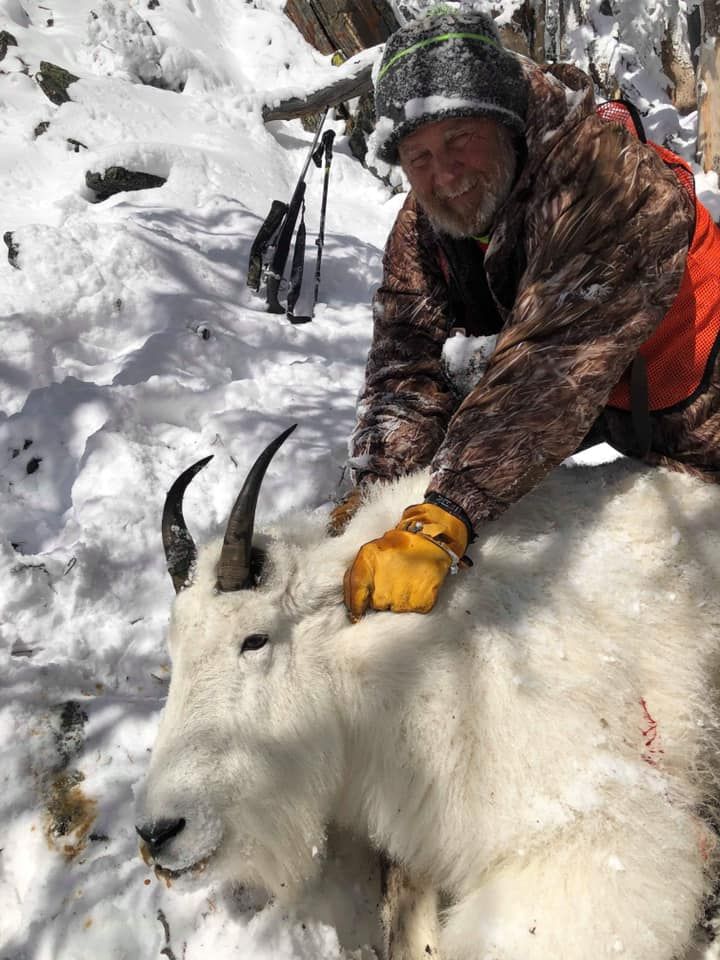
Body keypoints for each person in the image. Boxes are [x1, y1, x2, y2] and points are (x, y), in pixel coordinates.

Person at [338, 9, 720, 622]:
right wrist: (376, 495)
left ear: (506, 122)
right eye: (419, 157)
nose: (444, 175)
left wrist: (444, 513)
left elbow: (551, 366)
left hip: (702, 410)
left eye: (459, 141)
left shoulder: (603, 178)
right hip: (616, 406)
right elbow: (406, 359)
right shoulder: (426, 219)